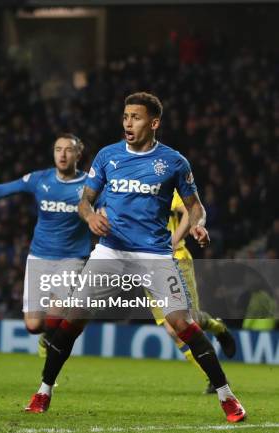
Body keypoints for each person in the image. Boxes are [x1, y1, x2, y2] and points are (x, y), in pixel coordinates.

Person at [24, 92, 246, 423]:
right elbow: (86, 200)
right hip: (110, 251)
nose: (128, 122)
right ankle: (43, 390)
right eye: (126, 116)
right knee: (72, 321)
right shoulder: (107, 156)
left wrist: (197, 225)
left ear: (153, 123)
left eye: (136, 117)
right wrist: (89, 217)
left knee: (182, 324)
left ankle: (227, 397)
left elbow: (195, 205)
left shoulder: (173, 162)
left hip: (154, 255)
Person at [0, 134, 90, 354]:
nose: (62, 154)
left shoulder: (90, 185)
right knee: (33, 326)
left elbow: (114, 204)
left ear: (78, 154)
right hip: (39, 257)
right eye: (57, 149)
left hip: (72, 258)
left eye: (68, 150)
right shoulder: (40, 179)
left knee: (55, 314)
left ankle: (51, 363)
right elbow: (2, 190)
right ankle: (47, 337)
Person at [151, 190, 236, 393]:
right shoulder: (123, 188)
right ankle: (214, 379)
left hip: (176, 259)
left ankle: (218, 327)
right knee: (172, 330)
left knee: (190, 321)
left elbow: (190, 212)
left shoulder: (163, 184)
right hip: (146, 265)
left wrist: (173, 241)